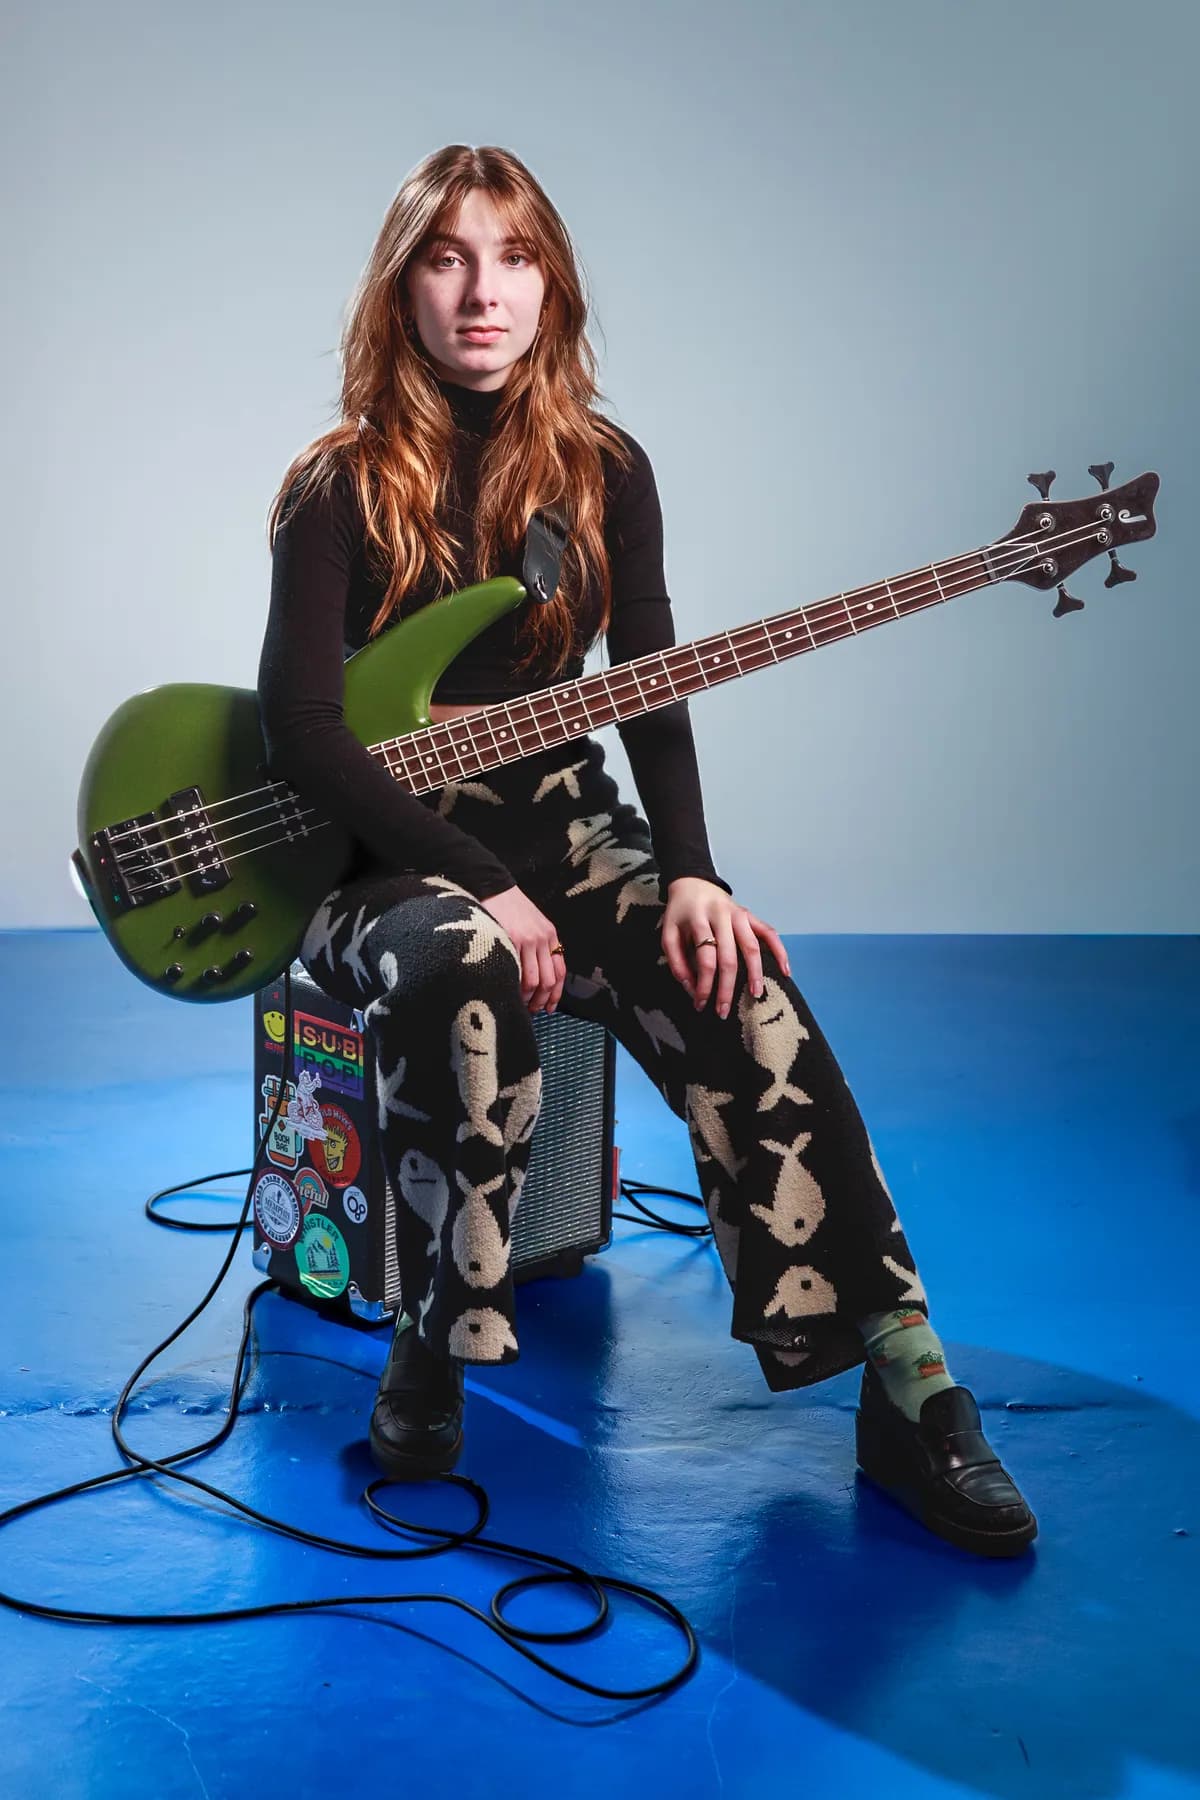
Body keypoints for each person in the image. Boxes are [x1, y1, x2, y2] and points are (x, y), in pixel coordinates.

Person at [256, 144, 1036, 1558]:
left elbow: (652, 684)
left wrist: (691, 872)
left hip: (566, 824)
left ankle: (909, 1382)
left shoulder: (604, 471)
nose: (482, 292)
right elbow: (306, 732)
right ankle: (432, 1335)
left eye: (513, 257)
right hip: (374, 852)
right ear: (401, 287)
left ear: (551, 284)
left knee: (747, 990)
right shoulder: (338, 484)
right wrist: (481, 882)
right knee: (457, 964)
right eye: (448, 258)